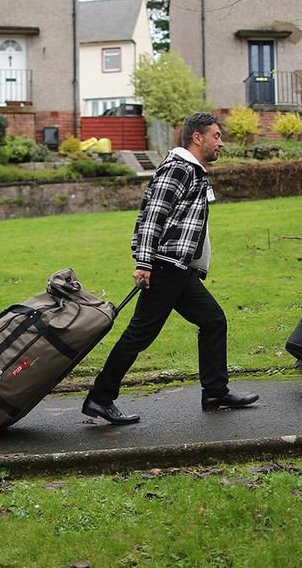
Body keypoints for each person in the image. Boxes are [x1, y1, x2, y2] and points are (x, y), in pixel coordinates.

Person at [81, 112, 259, 425]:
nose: (221, 142)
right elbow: (152, 216)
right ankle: (100, 397)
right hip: (164, 267)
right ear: (197, 138)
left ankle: (215, 392)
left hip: (179, 269)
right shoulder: (178, 169)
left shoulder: (192, 170)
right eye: (216, 136)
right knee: (139, 335)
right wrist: (144, 263)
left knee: (213, 320)